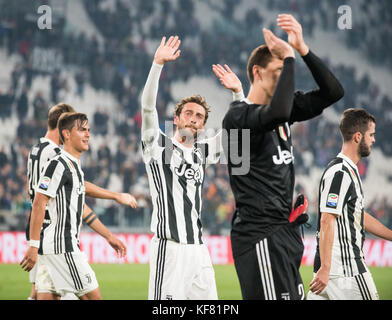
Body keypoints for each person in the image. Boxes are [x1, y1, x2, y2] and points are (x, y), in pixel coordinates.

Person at [220, 14, 344, 300]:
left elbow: (334, 92)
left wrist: (302, 49)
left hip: (283, 233)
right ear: (257, 73)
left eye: (283, 72)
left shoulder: (283, 111)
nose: (283, 78)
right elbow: (274, 113)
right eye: (277, 72)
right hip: (259, 235)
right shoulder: (237, 117)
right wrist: (288, 58)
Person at [141, 36, 244, 300]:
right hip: (170, 248)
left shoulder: (203, 151)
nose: (194, 119)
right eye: (189, 113)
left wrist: (238, 94)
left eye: (200, 117)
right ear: (176, 118)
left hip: (198, 249)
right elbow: (147, 108)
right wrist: (157, 65)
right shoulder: (158, 147)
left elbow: (239, 132)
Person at [20, 112, 132, 300]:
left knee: (46, 297)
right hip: (63, 247)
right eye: (82, 130)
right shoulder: (58, 164)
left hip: (55, 248)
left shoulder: (73, 167)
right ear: (66, 134)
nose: (88, 134)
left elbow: (84, 204)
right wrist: (32, 244)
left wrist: (110, 234)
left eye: (88, 130)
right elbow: (39, 201)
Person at [308, 108, 392, 300]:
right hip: (347, 273)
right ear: (357, 137)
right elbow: (327, 219)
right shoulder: (341, 173)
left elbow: (358, 216)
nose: (373, 140)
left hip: (328, 275)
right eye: (371, 135)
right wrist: (326, 268)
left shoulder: (346, 170)